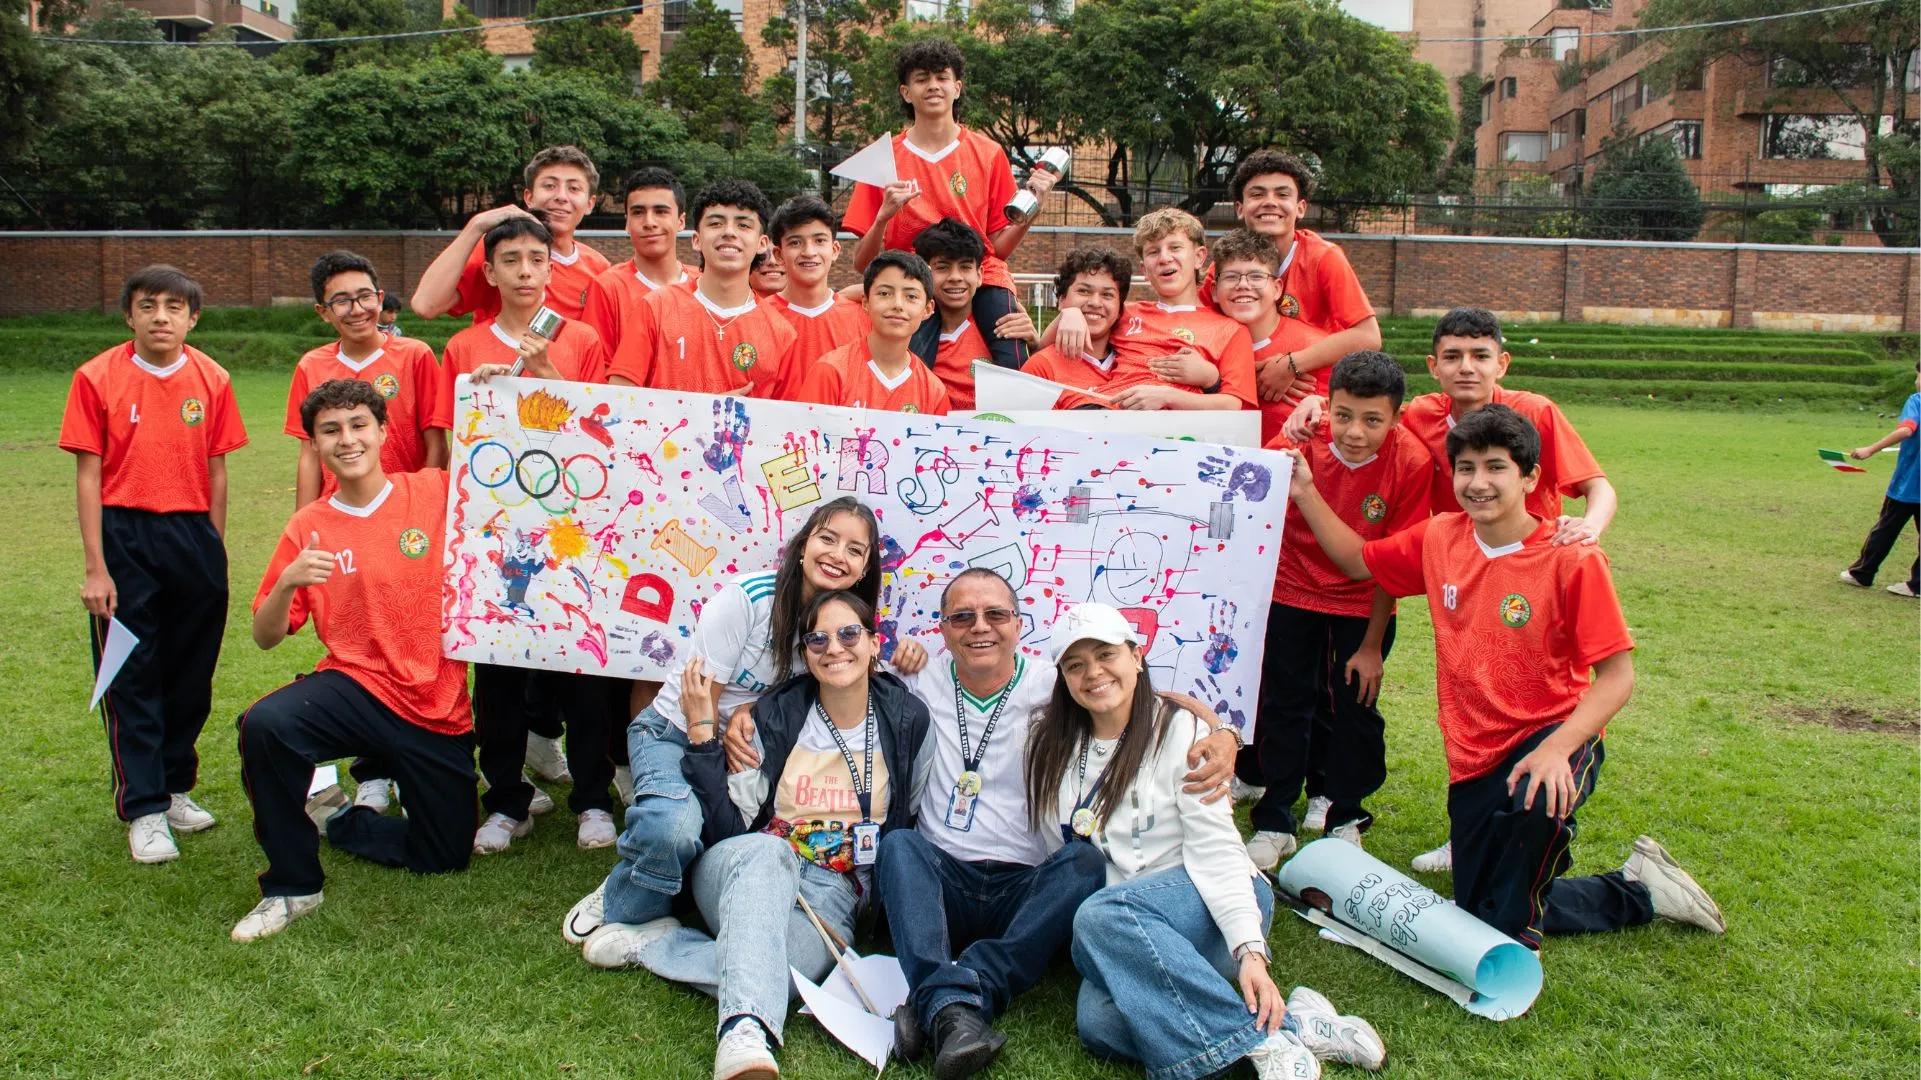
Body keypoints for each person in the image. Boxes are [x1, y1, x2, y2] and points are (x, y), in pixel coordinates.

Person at [716, 566, 1243, 1079]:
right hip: (943, 879)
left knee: (1083, 862)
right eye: (962, 617)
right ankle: (958, 1002)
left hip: (1025, 884)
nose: (980, 627)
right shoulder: (914, 673)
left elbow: (1150, 695)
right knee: (899, 846)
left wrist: (1222, 732)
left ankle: (950, 1002)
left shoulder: (1054, 680)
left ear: (1019, 624)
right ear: (942, 629)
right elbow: (835, 676)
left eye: (995, 614)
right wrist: (749, 711)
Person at [1281, 404, 1727, 949]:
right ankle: (1640, 890)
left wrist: (1559, 749)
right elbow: (1357, 562)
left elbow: (1617, 677)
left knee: (1513, 870)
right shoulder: (1440, 537)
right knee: (1480, 904)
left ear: (1530, 477)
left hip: (1552, 733)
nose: (1479, 482)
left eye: (1496, 467)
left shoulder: (1572, 559)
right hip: (1472, 755)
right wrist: (1304, 489)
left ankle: (1515, 939)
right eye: (1466, 468)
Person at [1285, 308, 1616, 874]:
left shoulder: (1534, 412)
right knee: (1471, 695)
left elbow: (1596, 486)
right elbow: (1367, 414)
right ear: (1433, 366)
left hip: (1534, 575)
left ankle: (1542, 810)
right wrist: (1312, 405)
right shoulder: (1419, 415)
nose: (1467, 367)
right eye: (1454, 356)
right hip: (1455, 567)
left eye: (1480, 355)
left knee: (1537, 693)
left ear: (1501, 362)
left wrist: (1589, 528)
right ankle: (1474, 828)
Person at [580, 590, 929, 1080]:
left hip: (832, 897)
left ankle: (656, 945)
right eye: (817, 638)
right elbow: (728, 830)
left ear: (874, 643)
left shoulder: (909, 718)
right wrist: (704, 738)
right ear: (805, 654)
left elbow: (910, 811)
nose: (835, 647)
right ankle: (744, 1033)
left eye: (849, 633)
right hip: (747, 865)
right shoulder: (776, 714)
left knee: (785, 976)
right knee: (768, 853)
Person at [1029, 603, 1386, 1080]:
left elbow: (1217, 849)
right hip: (1131, 927)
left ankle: (1243, 1048)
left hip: (1206, 900)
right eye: (1075, 665)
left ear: (1137, 656)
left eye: (1105, 655)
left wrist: (1250, 952)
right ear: (1063, 679)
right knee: (1098, 1022)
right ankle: (1292, 1028)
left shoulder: (1185, 732)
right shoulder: (1053, 742)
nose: (1093, 673)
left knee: (1100, 915)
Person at [562, 498, 883, 945]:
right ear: (803, 544)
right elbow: (700, 704)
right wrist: (722, 738)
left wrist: (752, 711)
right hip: (676, 733)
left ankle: (652, 869)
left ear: (866, 567)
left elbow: (839, 684)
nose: (837, 555)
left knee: (716, 839)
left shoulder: (841, 626)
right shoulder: (747, 600)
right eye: (827, 539)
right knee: (673, 830)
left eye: (854, 549)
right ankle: (626, 897)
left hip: (742, 752)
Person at [231, 379, 477, 941]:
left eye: (358, 424)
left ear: (383, 431)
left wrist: (498, 387)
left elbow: (502, 456)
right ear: (315, 445)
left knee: (444, 855)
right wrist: (286, 584)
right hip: (357, 686)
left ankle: (340, 819)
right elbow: (265, 635)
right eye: (331, 430)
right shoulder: (308, 527)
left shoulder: (435, 491)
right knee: (266, 725)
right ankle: (293, 885)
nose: (347, 439)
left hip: (435, 702)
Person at [60, 265, 247, 864]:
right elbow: (88, 475)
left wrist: (212, 548)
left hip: (192, 534)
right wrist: (97, 567)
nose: (160, 316)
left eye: (174, 307)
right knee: (132, 672)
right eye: (148, 306)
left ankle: (172, 789)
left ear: (193, 317)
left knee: (190, 674)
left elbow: (217, 468)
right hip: (125, 532)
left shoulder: (212, 377)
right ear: (129, 315)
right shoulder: (96, 377)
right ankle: (141, 807)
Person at [1237, 351, 1432, 871]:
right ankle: (1275, 818)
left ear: (1397, 416)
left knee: (1355, 708)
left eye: (1373, 420)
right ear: (1327, 405)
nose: (1355, 432)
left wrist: (1372, 645)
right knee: (1285, 701)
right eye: (1344, 415)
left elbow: (1397, 559)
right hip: (1291, 588)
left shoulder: (1411, 461)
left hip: (1361, 602)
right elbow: (1250, 494)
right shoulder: (1302, 440)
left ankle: (1346, 816)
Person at [843, 39, 1057, 372]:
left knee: (1012, 358)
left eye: (941, 77)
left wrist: (1031, 214)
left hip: (980, 277)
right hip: (912, 281)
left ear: (957, 88)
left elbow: (996, 250)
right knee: (909, 368)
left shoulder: (988, 153)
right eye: (921, 78)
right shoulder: (883, 158)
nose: (932, 86)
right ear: (905, 91)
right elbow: (862, 263)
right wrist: (884, 218)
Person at [1200, 150, 1382, 411]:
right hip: (1243, 385)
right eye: (1257, 194)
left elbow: (1368, 336)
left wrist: (1291, 364)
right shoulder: (1227, 264)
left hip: (1308, 388)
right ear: (1240, 208)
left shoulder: (1323, 258)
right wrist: (1238, 372)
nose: (1270, 202)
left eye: (1282, 194)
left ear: (1301, 207)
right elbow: (1200, 321)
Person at [606, 179, 798, 400]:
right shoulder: (656, 308)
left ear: (761, 244)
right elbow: (617, 402)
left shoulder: (782, 333)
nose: (729, 232)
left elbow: (786, 427)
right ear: (696, 240)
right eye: (716, 223)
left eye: (743, 225)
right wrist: (704, 413)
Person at [1050, 208, 1256, 413]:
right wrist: (1069, 314)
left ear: (1199, 257)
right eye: (1153, 252)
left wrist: (1169, 397)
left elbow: (1234, 405)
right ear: (1144, 269)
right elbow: (1047, 346)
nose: (1164, 258)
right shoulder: (1126, 313)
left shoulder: (1230, 330)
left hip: (1178, 433)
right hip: (1110, 415)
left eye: (1175, 247)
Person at [287, 252, 445, 509]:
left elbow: (436, 444)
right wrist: (304, 524)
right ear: (323, 312)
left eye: (365, 297)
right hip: (340, 512)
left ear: (380, 299)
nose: (357, 309)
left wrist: (425, 505)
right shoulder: (310, 366)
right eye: (341, 301)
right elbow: (309, 455)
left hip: (406, 508)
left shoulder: (415, 356)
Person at [411, 145, 610, 324]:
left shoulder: (599, 268)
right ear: (529, 197)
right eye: (549, 186)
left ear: (590, 203)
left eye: (574, 188)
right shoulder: (500, 250)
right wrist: (476, 226)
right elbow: (425, 305)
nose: (561, 197)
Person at [1207, 228, 1331, 444]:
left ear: (1277, 288)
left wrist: (1320, 404)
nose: (1243, 285)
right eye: (1231, 276)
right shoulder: (1201, 347)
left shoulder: (1317, 349)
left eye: (1256, 276)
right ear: (1215, 291)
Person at [794, 251, 951, 414]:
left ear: (928, 309)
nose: (898, 304)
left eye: (911, 296)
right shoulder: (831, 371)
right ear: (865, 303)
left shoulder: (934, 391)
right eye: (884, 293)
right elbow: (804, 437)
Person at [912, 218, 1039, 410]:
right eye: (942, 267)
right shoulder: (909, 332)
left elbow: (1038, 391)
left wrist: (1035, 346)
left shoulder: (1005, 328)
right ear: (925, 274)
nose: (955, 277)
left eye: (965, 267)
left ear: (979, 275)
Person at [581, 167, 699, 355]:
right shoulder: (607, 288)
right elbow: (596, 370)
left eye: (661, 212)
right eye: (638, 212)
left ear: (681, 222)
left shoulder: (704, 283)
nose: (649, 222)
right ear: (627, 222)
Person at [1838, 363, 1920, 597]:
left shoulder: (1917, 400)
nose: (1916, 382)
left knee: (1886, 528)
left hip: (1909, 485)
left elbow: (1907, 430)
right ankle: (1918, 585)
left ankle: (1862, 573)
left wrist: (1870, 449)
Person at [1020, 248, 1132, 410]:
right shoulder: (1041, 367)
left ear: (1120, 309)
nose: (1095, 302)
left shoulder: (1135, 360)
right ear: (1062, 300)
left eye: (1107, 295)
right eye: (1084, 291)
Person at [766, 195, 869, 367]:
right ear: (779, 255)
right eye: (795, 242)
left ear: (835, 250)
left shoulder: (864, 317)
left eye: (819, 241)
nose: (809, 251)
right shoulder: (760, 317)